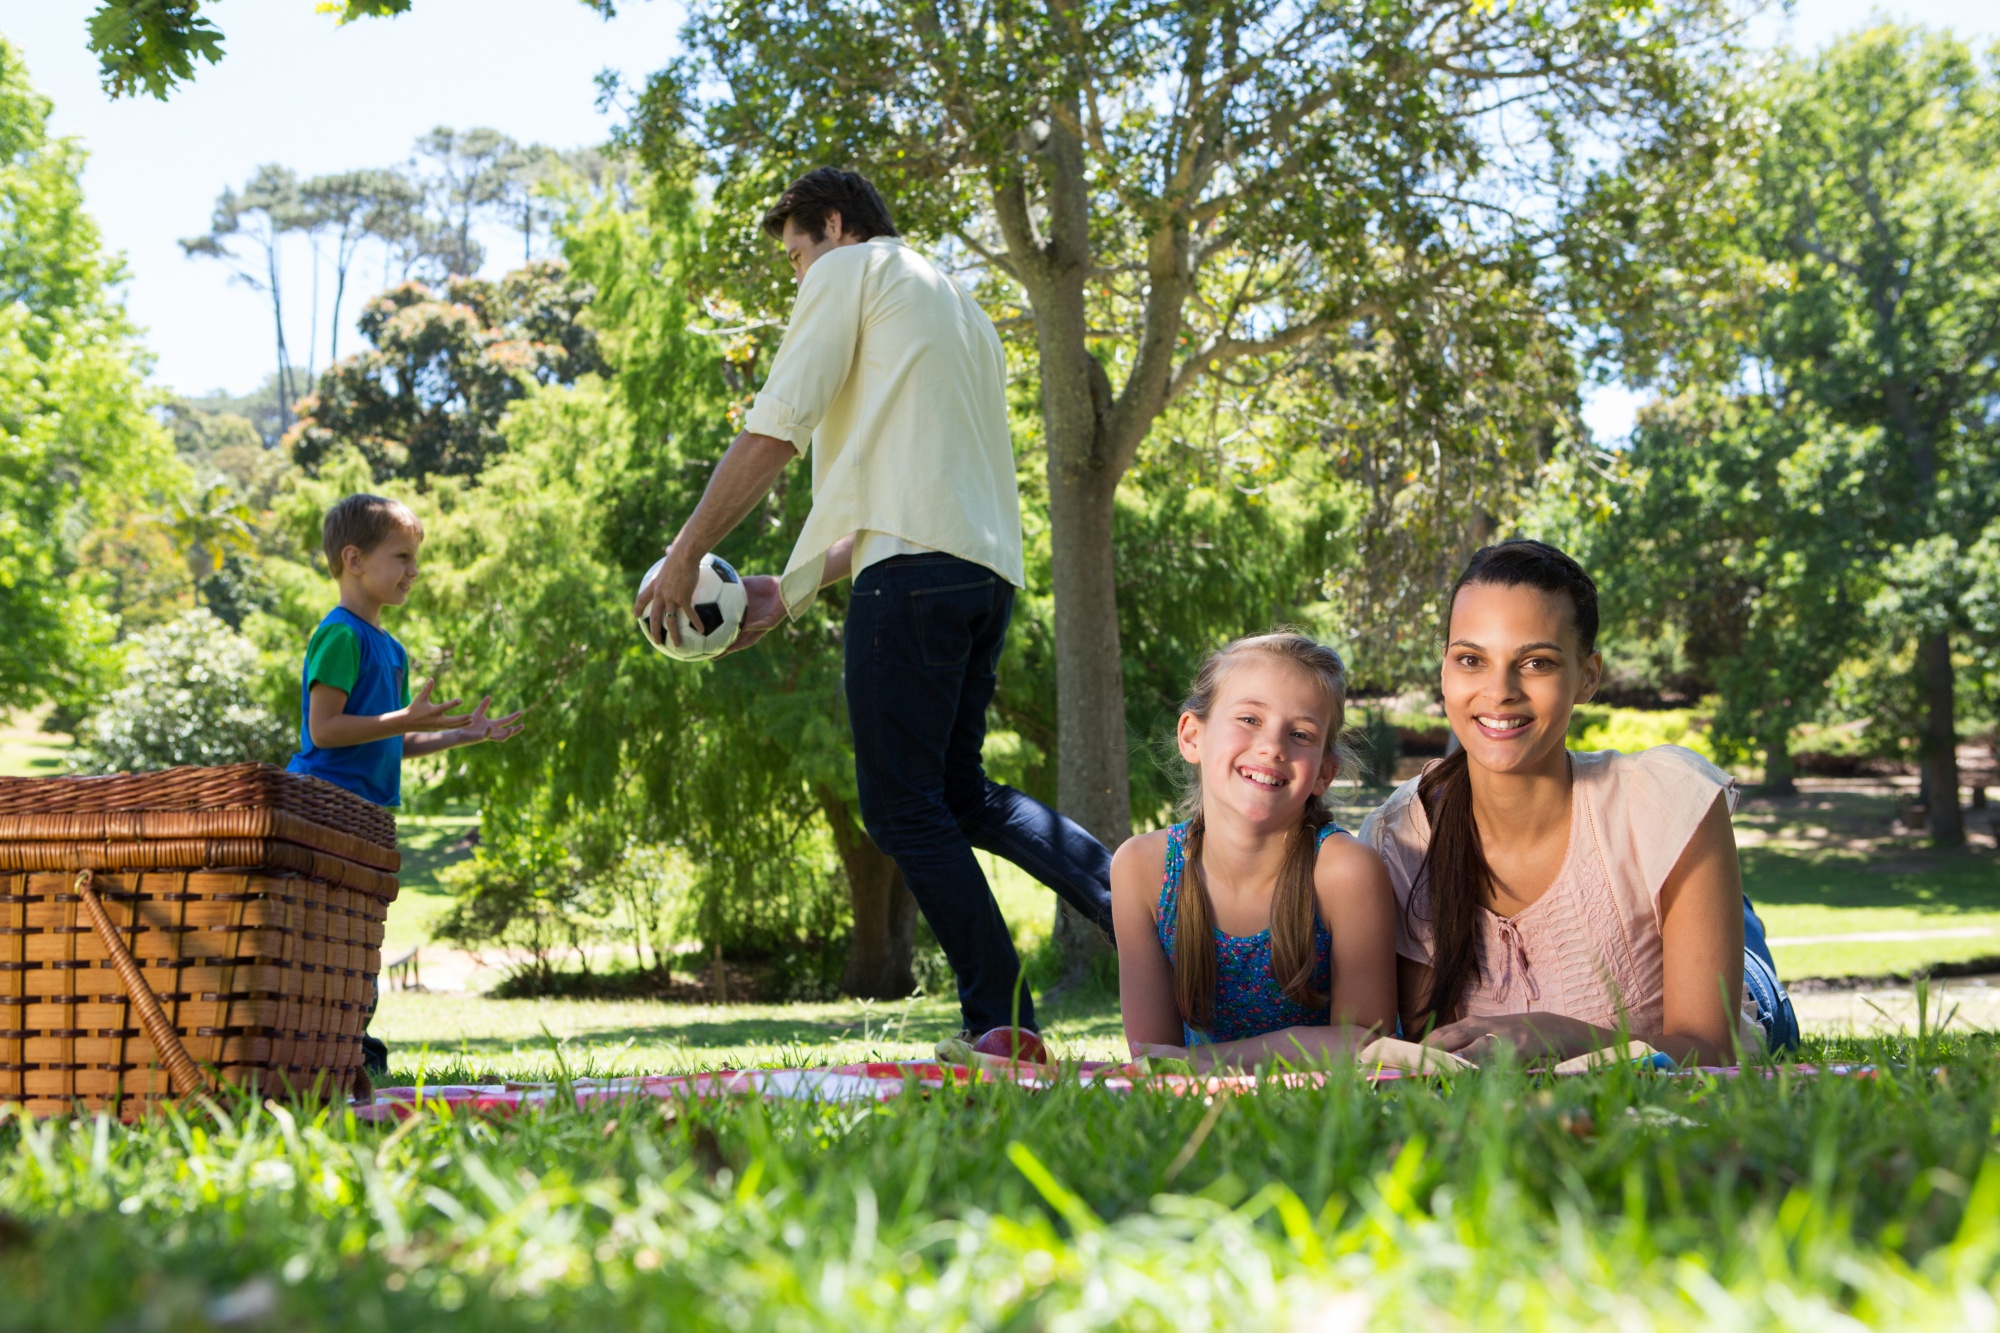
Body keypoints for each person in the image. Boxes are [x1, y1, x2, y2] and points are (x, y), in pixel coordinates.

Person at [636, 167, 1113, 1037]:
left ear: (833, 225)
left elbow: (778, 426)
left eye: (796, 254)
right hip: (983, 574)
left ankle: (1000, 1021)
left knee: (900, 808)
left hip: (913, 581)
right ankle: (1150, 913)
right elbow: (904, 482)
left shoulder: (849, 273)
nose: (797, 275)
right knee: (961, 796)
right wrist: (794, 587)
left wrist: (685, 554)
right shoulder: (955, 307)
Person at [1360, 539, 1799, 1066]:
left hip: (1737, 990)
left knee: (1744, 984)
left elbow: (1710, 1050)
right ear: (1444, 670)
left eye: (1537, 662)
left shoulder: (1663, 802)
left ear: (1587, 676)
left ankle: (1735, 912)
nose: (1499, 691)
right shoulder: (1402, 836)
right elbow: (1424, 1055)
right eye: (1471, 659)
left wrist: (1563, 1037)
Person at [288, 493, 522, 1077]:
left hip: (366, 817)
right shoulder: (339, 635)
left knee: (358, 939)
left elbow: (391, 739)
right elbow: (325, 730)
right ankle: (321, 1049)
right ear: (354, 559)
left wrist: (462, 735)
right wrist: (403, 720)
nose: (413, 571)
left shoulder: (391, 649)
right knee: (322, 938)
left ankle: (348, 1048)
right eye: (401, 556)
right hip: (323, 812)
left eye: (415, 558)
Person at [1111, 633, 1398, 1069]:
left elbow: (1368, 1047)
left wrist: (1212, 1062)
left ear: (1324, 772)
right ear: (1191, 736)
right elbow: (1152, 1060)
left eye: (1301, 733)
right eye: (1249, 719)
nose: (1273, 747)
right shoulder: (1142, 870)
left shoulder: (1345, 872)